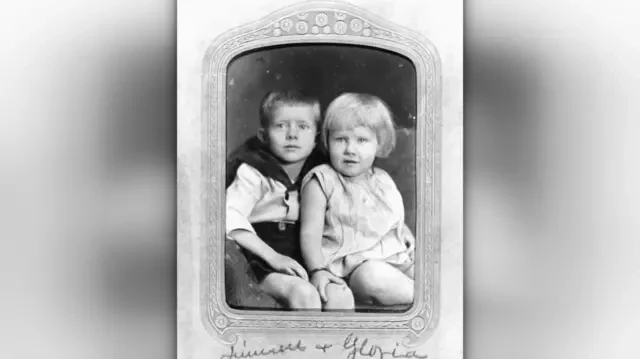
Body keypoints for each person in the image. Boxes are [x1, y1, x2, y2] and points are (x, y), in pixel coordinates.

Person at [225, 90, 352, 310]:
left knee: (339, 295)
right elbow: (229, 215)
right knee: (303, 294)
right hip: (260, 259)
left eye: (303, 127)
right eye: (281, 125)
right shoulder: (252, 171)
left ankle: (337, 345)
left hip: (308, 257)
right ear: (264, 135)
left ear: (316, 138)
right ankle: (300, 346)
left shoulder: (323, 172)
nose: (292, 135)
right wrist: (273, 257)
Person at [300, 92, 415, 307]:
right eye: (341, 139)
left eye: (362, 140)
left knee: (442, 270)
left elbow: (390, 215)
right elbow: (309, 234)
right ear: (327, 140)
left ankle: (431, 293)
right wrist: (317, 270)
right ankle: (424, 297)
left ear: (378, 144)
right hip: (354, 270)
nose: (350, 149)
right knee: (372, 276)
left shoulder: (382, 180)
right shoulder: (322, 180)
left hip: (397, 257)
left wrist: (405, 231)